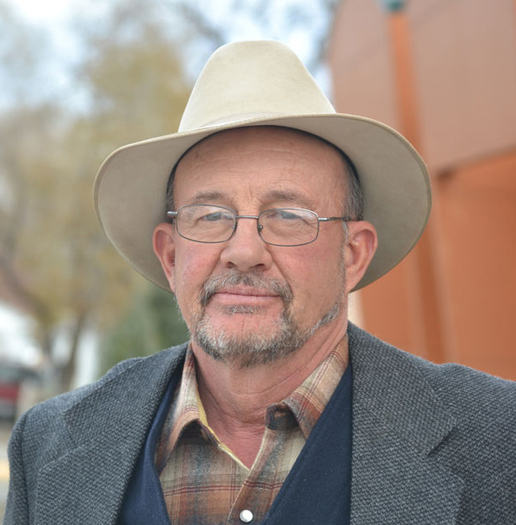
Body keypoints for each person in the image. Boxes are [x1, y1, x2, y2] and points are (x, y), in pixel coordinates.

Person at [4, 40, 516, 525]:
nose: (244, 252)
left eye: (289, 215)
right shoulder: (48, 443)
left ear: (353, 254)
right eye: (209, 215)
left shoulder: (498, 439)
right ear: (170, 254)